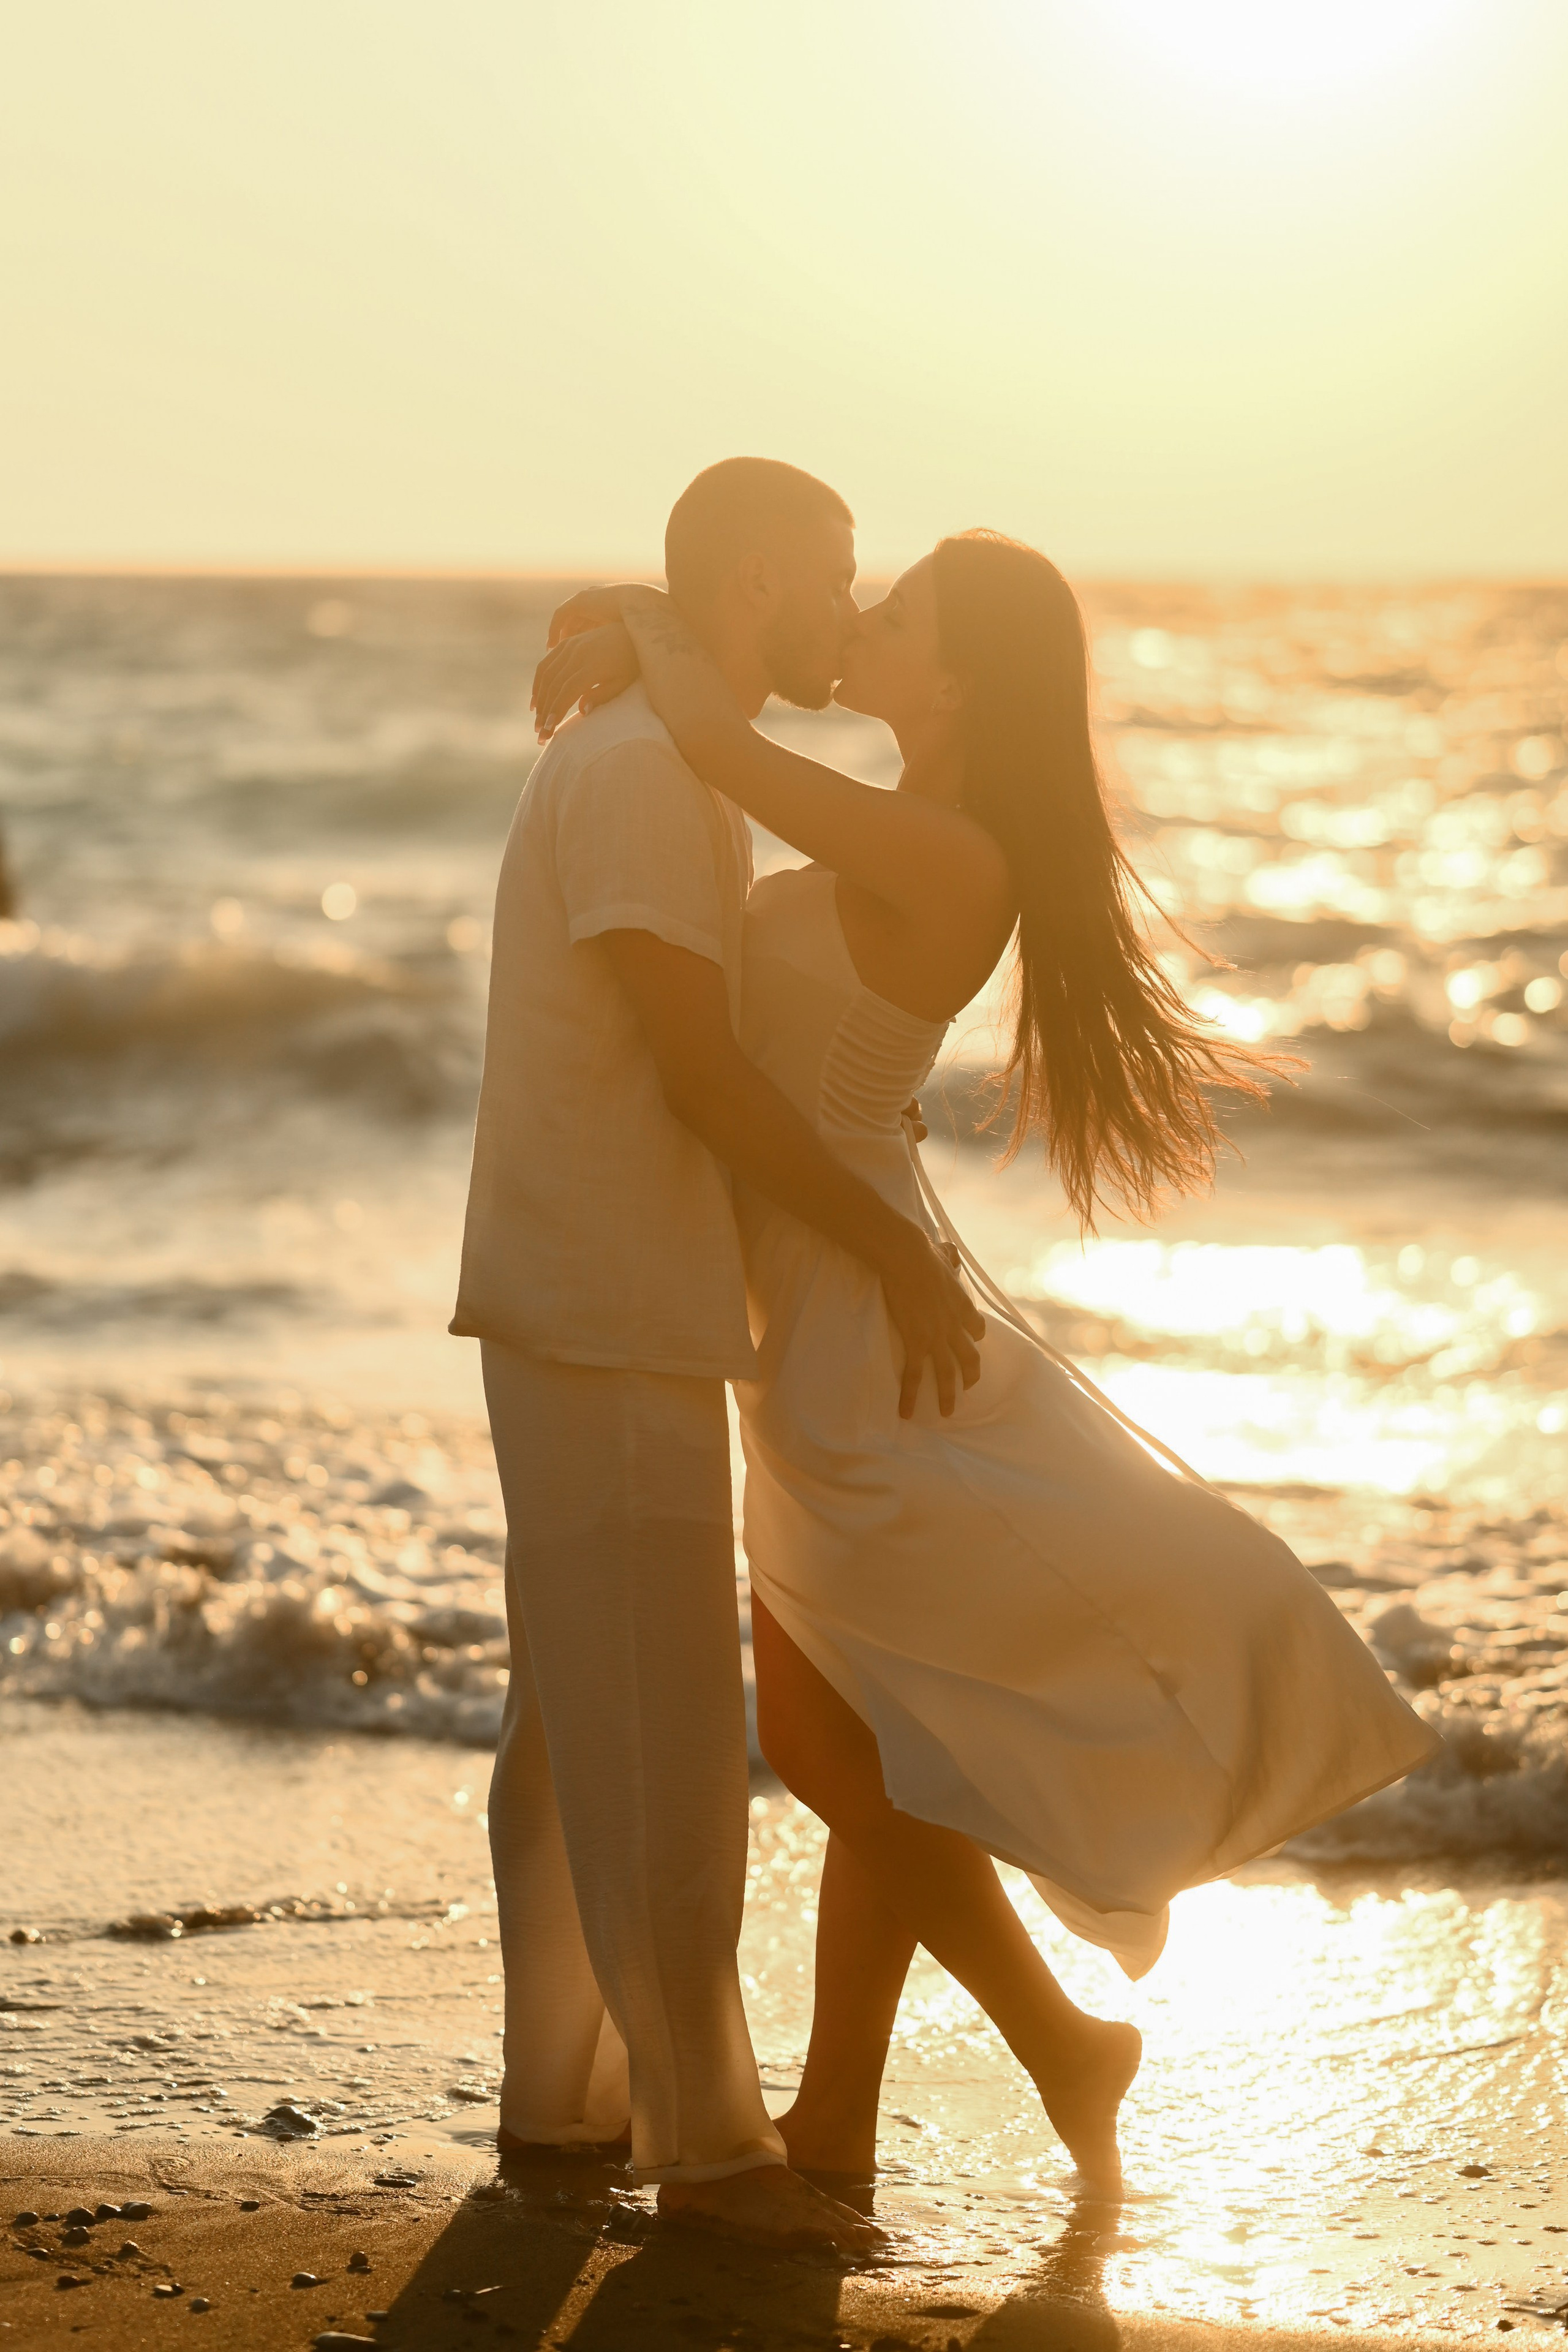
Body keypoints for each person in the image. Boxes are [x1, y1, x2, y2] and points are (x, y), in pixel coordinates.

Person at [531, 529, 1440, 2198]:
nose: (862, 619)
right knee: (876, 1734)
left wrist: (639, 620)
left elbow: (721, 746)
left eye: (898, 611)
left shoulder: (959, 858)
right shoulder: (916, 828)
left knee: (832, 1745)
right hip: (825, 1284)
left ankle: (1037, 2046)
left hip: (861, 1307)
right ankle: (880, 2115)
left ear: (954, 676)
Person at [450, 460, 981, 2251]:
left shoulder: (652, 756)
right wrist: (886, 1243)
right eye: (838, 576)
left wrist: (635, 622)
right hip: (606, 1304)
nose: (855, 605)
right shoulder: (643, 776)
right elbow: (700, 1072)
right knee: (665, 1733)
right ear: (760, 581)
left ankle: (560, 2108)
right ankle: (720, 2159)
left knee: (572, 1724)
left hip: (597, 1294)